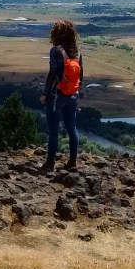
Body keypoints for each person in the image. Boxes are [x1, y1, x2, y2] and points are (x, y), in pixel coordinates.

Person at [40, 19, 82, 171]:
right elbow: (80, 76)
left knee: (54, 130)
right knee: (72, 128)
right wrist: (76, 93)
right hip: (73, 95)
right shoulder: (77, 51)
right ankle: (72, 161)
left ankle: (50, 163)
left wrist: (45, 94)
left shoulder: (56, 51)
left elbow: (52, 74)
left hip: (57, 95)